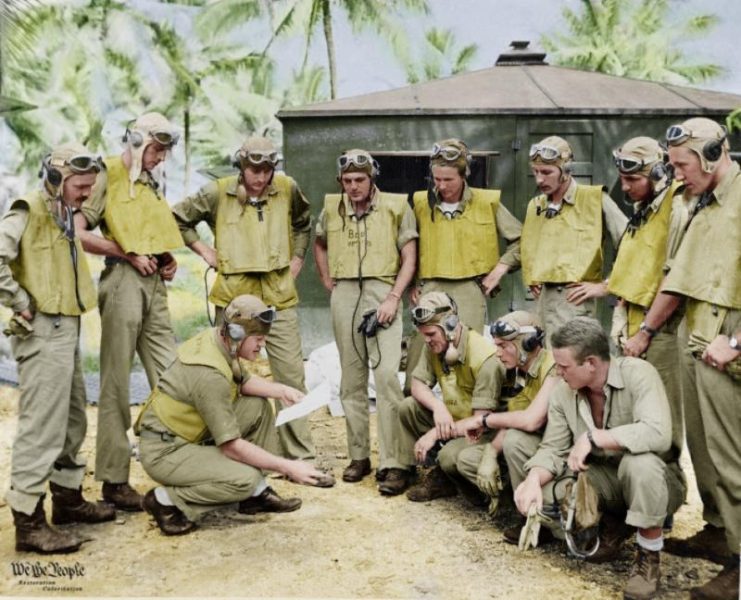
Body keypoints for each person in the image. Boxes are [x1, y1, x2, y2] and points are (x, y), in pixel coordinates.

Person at [628, 118, 739, 599]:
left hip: (727, 348)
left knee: (734, 462)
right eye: (670, 167)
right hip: (701, 342)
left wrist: (736, 343)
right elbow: (680, 277)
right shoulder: (701, 203)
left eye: (681, 165)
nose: (675, 176)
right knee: (709, 453)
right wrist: (648, 330)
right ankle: (723, 534)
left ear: (714, 154)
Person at [513, 317, 685, 600]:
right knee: (545, 493)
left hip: (659, 479)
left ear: (591, 363)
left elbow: (657, 434)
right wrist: (532, 479)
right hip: (605, 478)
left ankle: (648, 558)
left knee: (638, 464)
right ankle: (614, 526)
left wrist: (595, 438)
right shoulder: (563, 393)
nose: (558, 371)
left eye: (564, 366)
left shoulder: (639, 373)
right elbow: (553, 449)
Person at [135, 294, 333, 536]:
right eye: (259, 339)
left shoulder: (219, 340)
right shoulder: (209, 373)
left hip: (187, 434)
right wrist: (289, 467)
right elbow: (231, 446)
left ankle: (255, 494)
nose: (263, 345)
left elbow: (243, 381)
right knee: (244, 479)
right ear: (238, 334)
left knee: (256, 407)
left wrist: (280, 390)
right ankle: (166, 500)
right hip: (165, 451)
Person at [172, 136, 315, 462]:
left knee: (291, 373)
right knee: (226, 372)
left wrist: (297, 259)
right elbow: (179, 218)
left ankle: (299, 454)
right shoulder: (217, 192)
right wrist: (205, 250)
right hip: (235, 297)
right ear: (241, 166)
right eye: (254, 170)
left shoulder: (286, 188)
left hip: (278, 293)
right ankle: (225, 445)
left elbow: (303, 223)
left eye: (267, 170)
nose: (261, 177)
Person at [3, 143, 115, 553]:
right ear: (55, 179)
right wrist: (18, 301)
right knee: (42, 428)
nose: (86, 194)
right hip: (41, 330)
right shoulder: (27, 210)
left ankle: (67, 500)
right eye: (80, 186)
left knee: (71, 420)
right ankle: (29, 523)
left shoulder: (64, 211)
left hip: (66, 324)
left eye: (89, 186)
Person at [75, 112, 184, 511]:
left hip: (154, 283)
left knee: (174, 377)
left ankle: (183, 465)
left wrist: (167, 257)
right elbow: (80, 233)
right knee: (116, 382)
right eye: (156, 150)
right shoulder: (105, 174)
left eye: (165, 151)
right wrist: (126, 252)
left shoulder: (152, 181)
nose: (160, 158)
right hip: (122, 281)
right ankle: (114, 480)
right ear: (136, 142)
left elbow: (149, 230)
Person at [313, 149, 418, 492]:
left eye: (360, 180)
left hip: (382, 291)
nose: (353, 187)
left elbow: (409, 258)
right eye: (347, 181)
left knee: (386, 375)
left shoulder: (396, 206)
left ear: (372, 178)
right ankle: (359, 456)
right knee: (351, 379)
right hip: (344, 293)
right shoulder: (332, 207)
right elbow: (320, 242)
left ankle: (394, 461)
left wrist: (392, 298)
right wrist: (328, 279)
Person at [404, 138, 522, 391]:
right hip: (430, 288)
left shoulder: (486, 202)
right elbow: (407, 246)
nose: (441, 185)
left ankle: (468, 415)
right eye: (437, 179)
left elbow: (522, 241)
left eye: (449, 180)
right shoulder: (421, 203)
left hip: (470, 288)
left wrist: (499, 269)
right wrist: (412, 284)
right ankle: (414, 411)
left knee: (467, 355)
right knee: (419, 354)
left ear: (464, 175)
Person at [607, 137, 689, 482]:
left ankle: (662, 502)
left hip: (659, 330)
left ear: (657, 173)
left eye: (633, 180)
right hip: (631, 322)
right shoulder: (643, 210)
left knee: (661, 420)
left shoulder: (676, 206)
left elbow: (676, 278)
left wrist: (646, 333)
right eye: (623, 179)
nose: (624, 187)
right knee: (627, 413)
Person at [397, 291, 504, 504]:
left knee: (448, 457)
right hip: (454, 420)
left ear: (450, 325)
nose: (426, 340)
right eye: (423, 334)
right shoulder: (436, 344)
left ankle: (455, 480)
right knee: (408, 407)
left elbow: (480, 421)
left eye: (430, 334)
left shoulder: (485, 358)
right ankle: (410, 470)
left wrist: (435, 434)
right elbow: (417, 385)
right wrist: (438, 407)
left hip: (482, 430)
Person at [520, 136, 627, 344]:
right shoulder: (535, 206)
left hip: (574, 302)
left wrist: (607, 285)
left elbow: (633, 244)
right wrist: (531, 276)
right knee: (544, 366)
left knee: (573, 365)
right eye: (535, 172)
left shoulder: (595, 200)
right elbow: (528, 244)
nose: (539, 180)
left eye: (547, 172)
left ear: (566, 170)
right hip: (542, 302)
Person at [454, 311, 558, 520]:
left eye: (503, 346)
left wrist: (483, 420)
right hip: (536, 445)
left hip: (556, 450)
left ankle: (542, 515)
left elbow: (530, 420)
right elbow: (514, 417)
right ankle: (512, 503)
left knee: (513, 441)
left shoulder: (553, 368)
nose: (498, 353)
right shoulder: (522, 371)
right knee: (468, 459)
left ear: (527, 343)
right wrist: (490, 453)